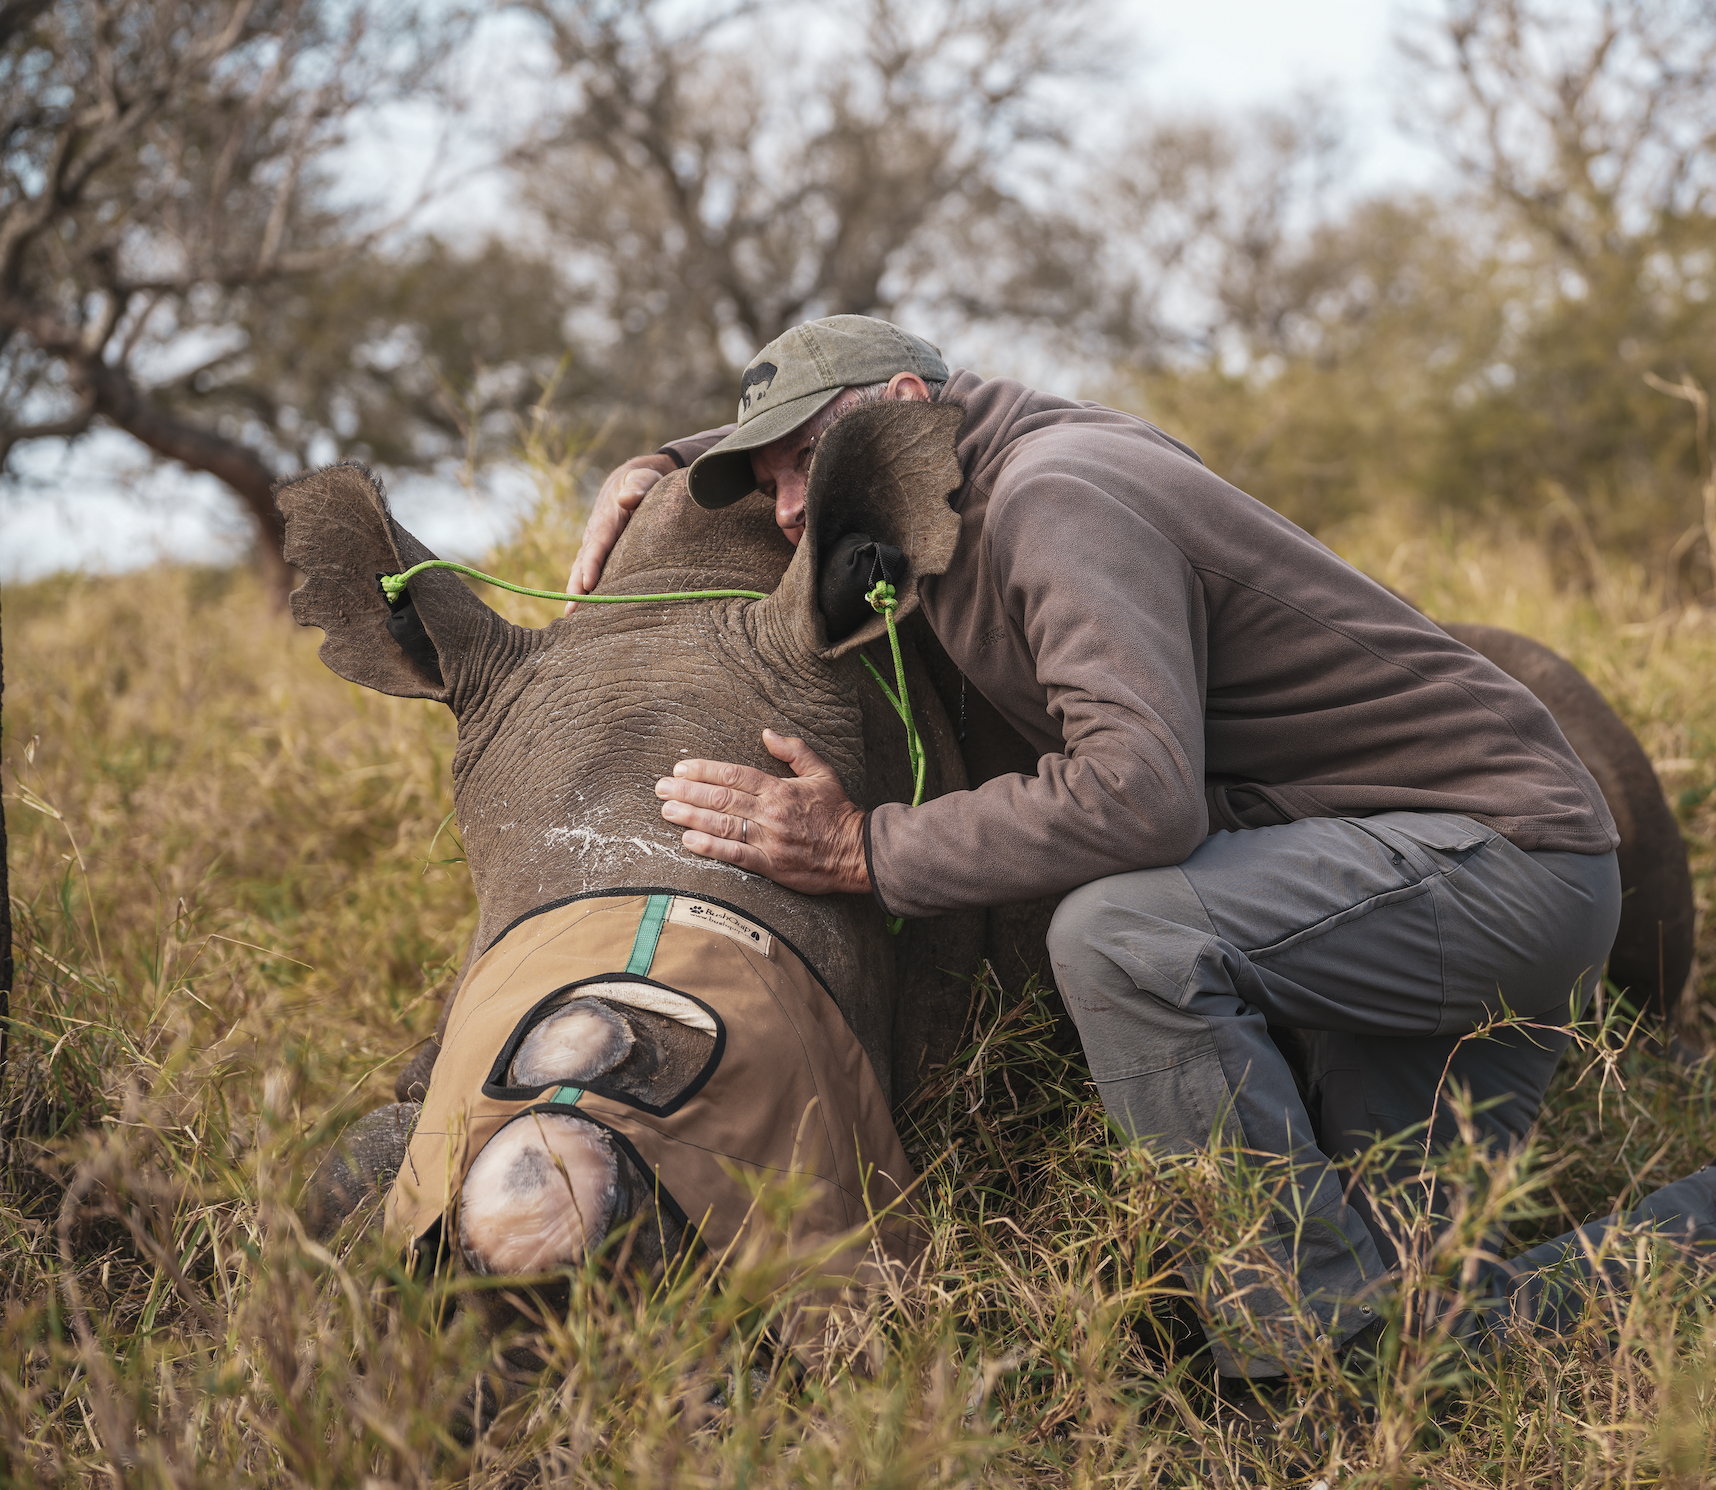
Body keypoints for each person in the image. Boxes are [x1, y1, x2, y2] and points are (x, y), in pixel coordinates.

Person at [566, 313, 1625, 1381]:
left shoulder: (1054, 499)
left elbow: (1142, 794)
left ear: (901, 412)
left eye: (801, 468)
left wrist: (865, 847)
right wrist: (670, 461)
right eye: (767, 479)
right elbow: (850, 443)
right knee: (1411, 1336)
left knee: (1122, 936)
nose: (789, 510)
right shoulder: (978, 466)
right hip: (1393, 885)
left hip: (1494, 870)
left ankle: (1285, 1348)